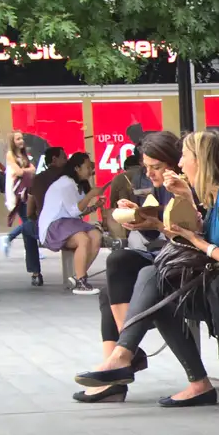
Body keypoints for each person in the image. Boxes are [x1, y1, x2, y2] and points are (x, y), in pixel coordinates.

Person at [75, 131, 219, 407]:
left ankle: (128, 358)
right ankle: (132, 359)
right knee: (147, 279)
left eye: (184, 157)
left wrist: (196, 237)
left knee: (156, 283)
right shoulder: (218, 193)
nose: (181, 164)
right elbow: (203, 239)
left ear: (200, 159)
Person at [76, 131, 185, 403]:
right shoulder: (161, 185)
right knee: (112, 279)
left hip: (185, 262)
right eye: (146, 167)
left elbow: (188, 235)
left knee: (117, 268)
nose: (149, 173)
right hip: (164, 255)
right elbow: (162, 226)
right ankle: (121, 362)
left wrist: (154, 224)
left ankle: (123, 356)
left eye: (155, 167)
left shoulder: (184, 186)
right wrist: (139, 214)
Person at [37, 151, 106, 294]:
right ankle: (81, 281)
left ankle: (77, 277)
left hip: (68, 223)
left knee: (96, 235)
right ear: (77, 168)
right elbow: (75, 211)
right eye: (87, 167)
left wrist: (95, 206)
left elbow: (76, 211)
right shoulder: (65, 183)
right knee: (83, 239)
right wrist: (90, 195)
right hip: (53, 225)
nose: (90, 171)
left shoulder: (75, 184)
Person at [21, 147, 66, 285]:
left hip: (47, 227)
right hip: (70, 224)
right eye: (64, 157)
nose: (67, 160)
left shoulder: (37, 180)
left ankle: (35, 273)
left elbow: (29, 212)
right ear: (54, 159)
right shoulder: (71, 178)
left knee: (26, 228)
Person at [0, 130, 36, 259]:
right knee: (28, 220)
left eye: (21, 138)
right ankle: (9, 238)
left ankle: (28, 248)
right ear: (12, 142)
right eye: (18, 139)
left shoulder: (24, 154)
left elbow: (33, 169)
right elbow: (18, 172)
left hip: (25, 190)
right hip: (16, 191)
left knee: (28, 220)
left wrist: (25, 171)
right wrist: (27, 171)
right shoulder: (10, 154)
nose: (21, 141)